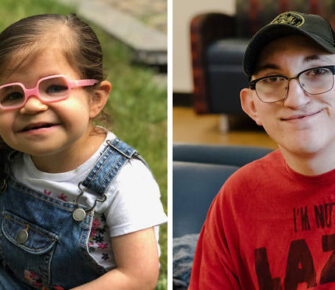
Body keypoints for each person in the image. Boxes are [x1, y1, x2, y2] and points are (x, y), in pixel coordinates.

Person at [0, 14, 167, 289]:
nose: (31, 106)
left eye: (54, 88)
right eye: (13, 95)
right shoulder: (10, 159)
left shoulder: (124, 181)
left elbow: (138, 277)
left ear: (95, 99)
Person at [189, 11, 335, 289]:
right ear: (251, 105)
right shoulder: (235, 200)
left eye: (317, 72)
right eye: (272, 79)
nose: (295, 99)